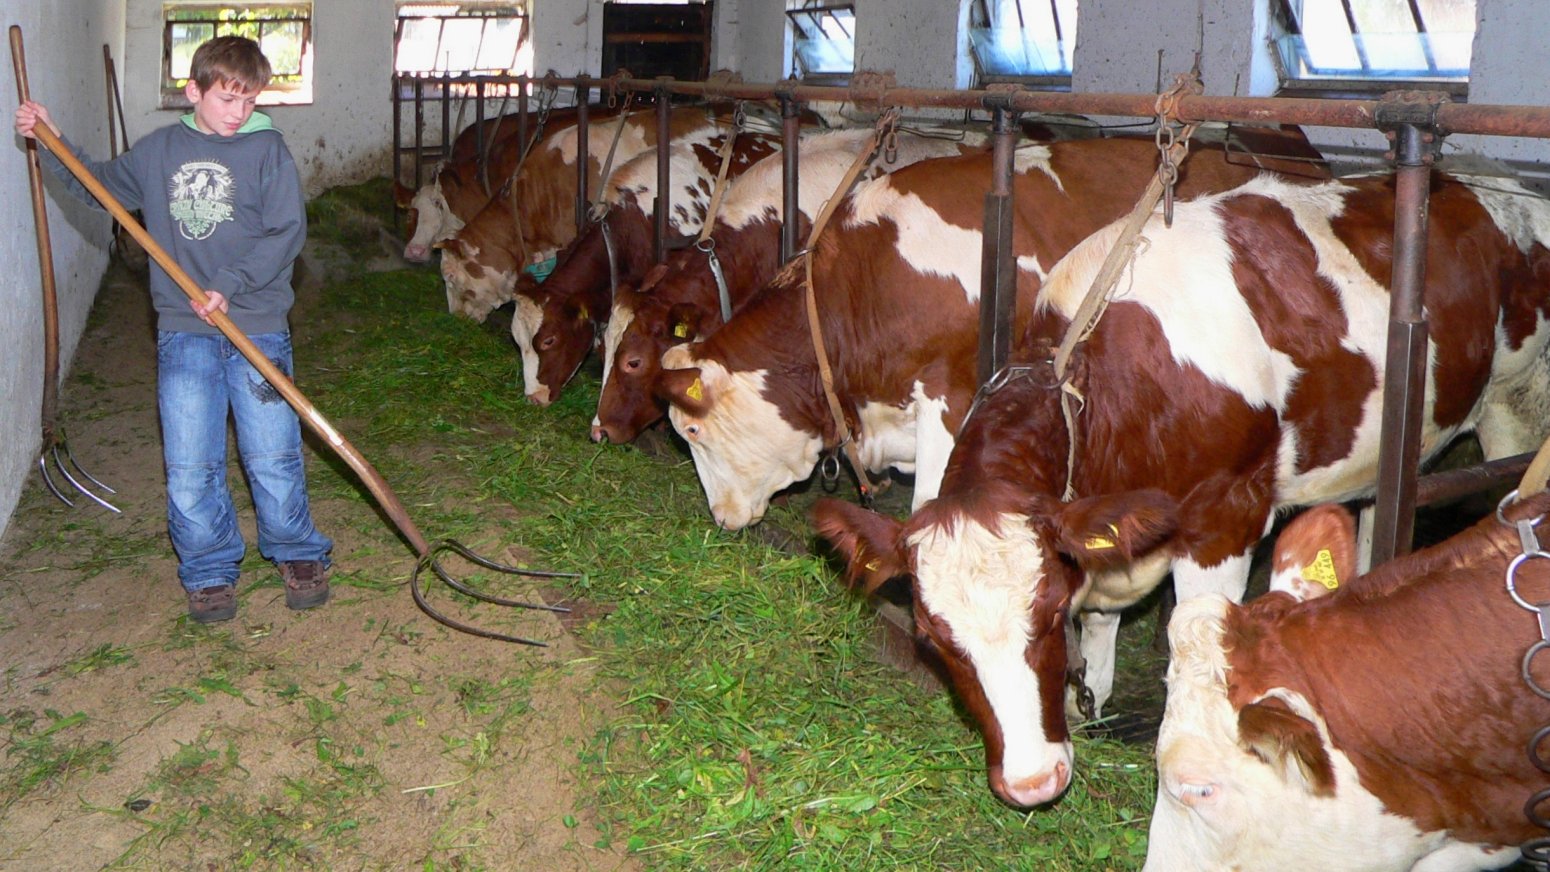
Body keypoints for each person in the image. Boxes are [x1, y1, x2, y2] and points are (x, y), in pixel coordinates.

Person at [15, 36, 332, 623]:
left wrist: (230, 283)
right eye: (227, 99)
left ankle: (296, 550)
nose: (239, 113)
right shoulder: (159, 152)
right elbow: (101, 187)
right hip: (185, 327)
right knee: (191, 459)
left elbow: (287, 231)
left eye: (250, 100)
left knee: (273, 451)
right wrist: (53, 142)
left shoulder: (267, 150)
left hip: (256, 321)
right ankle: (209, 569)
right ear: (194, 91)